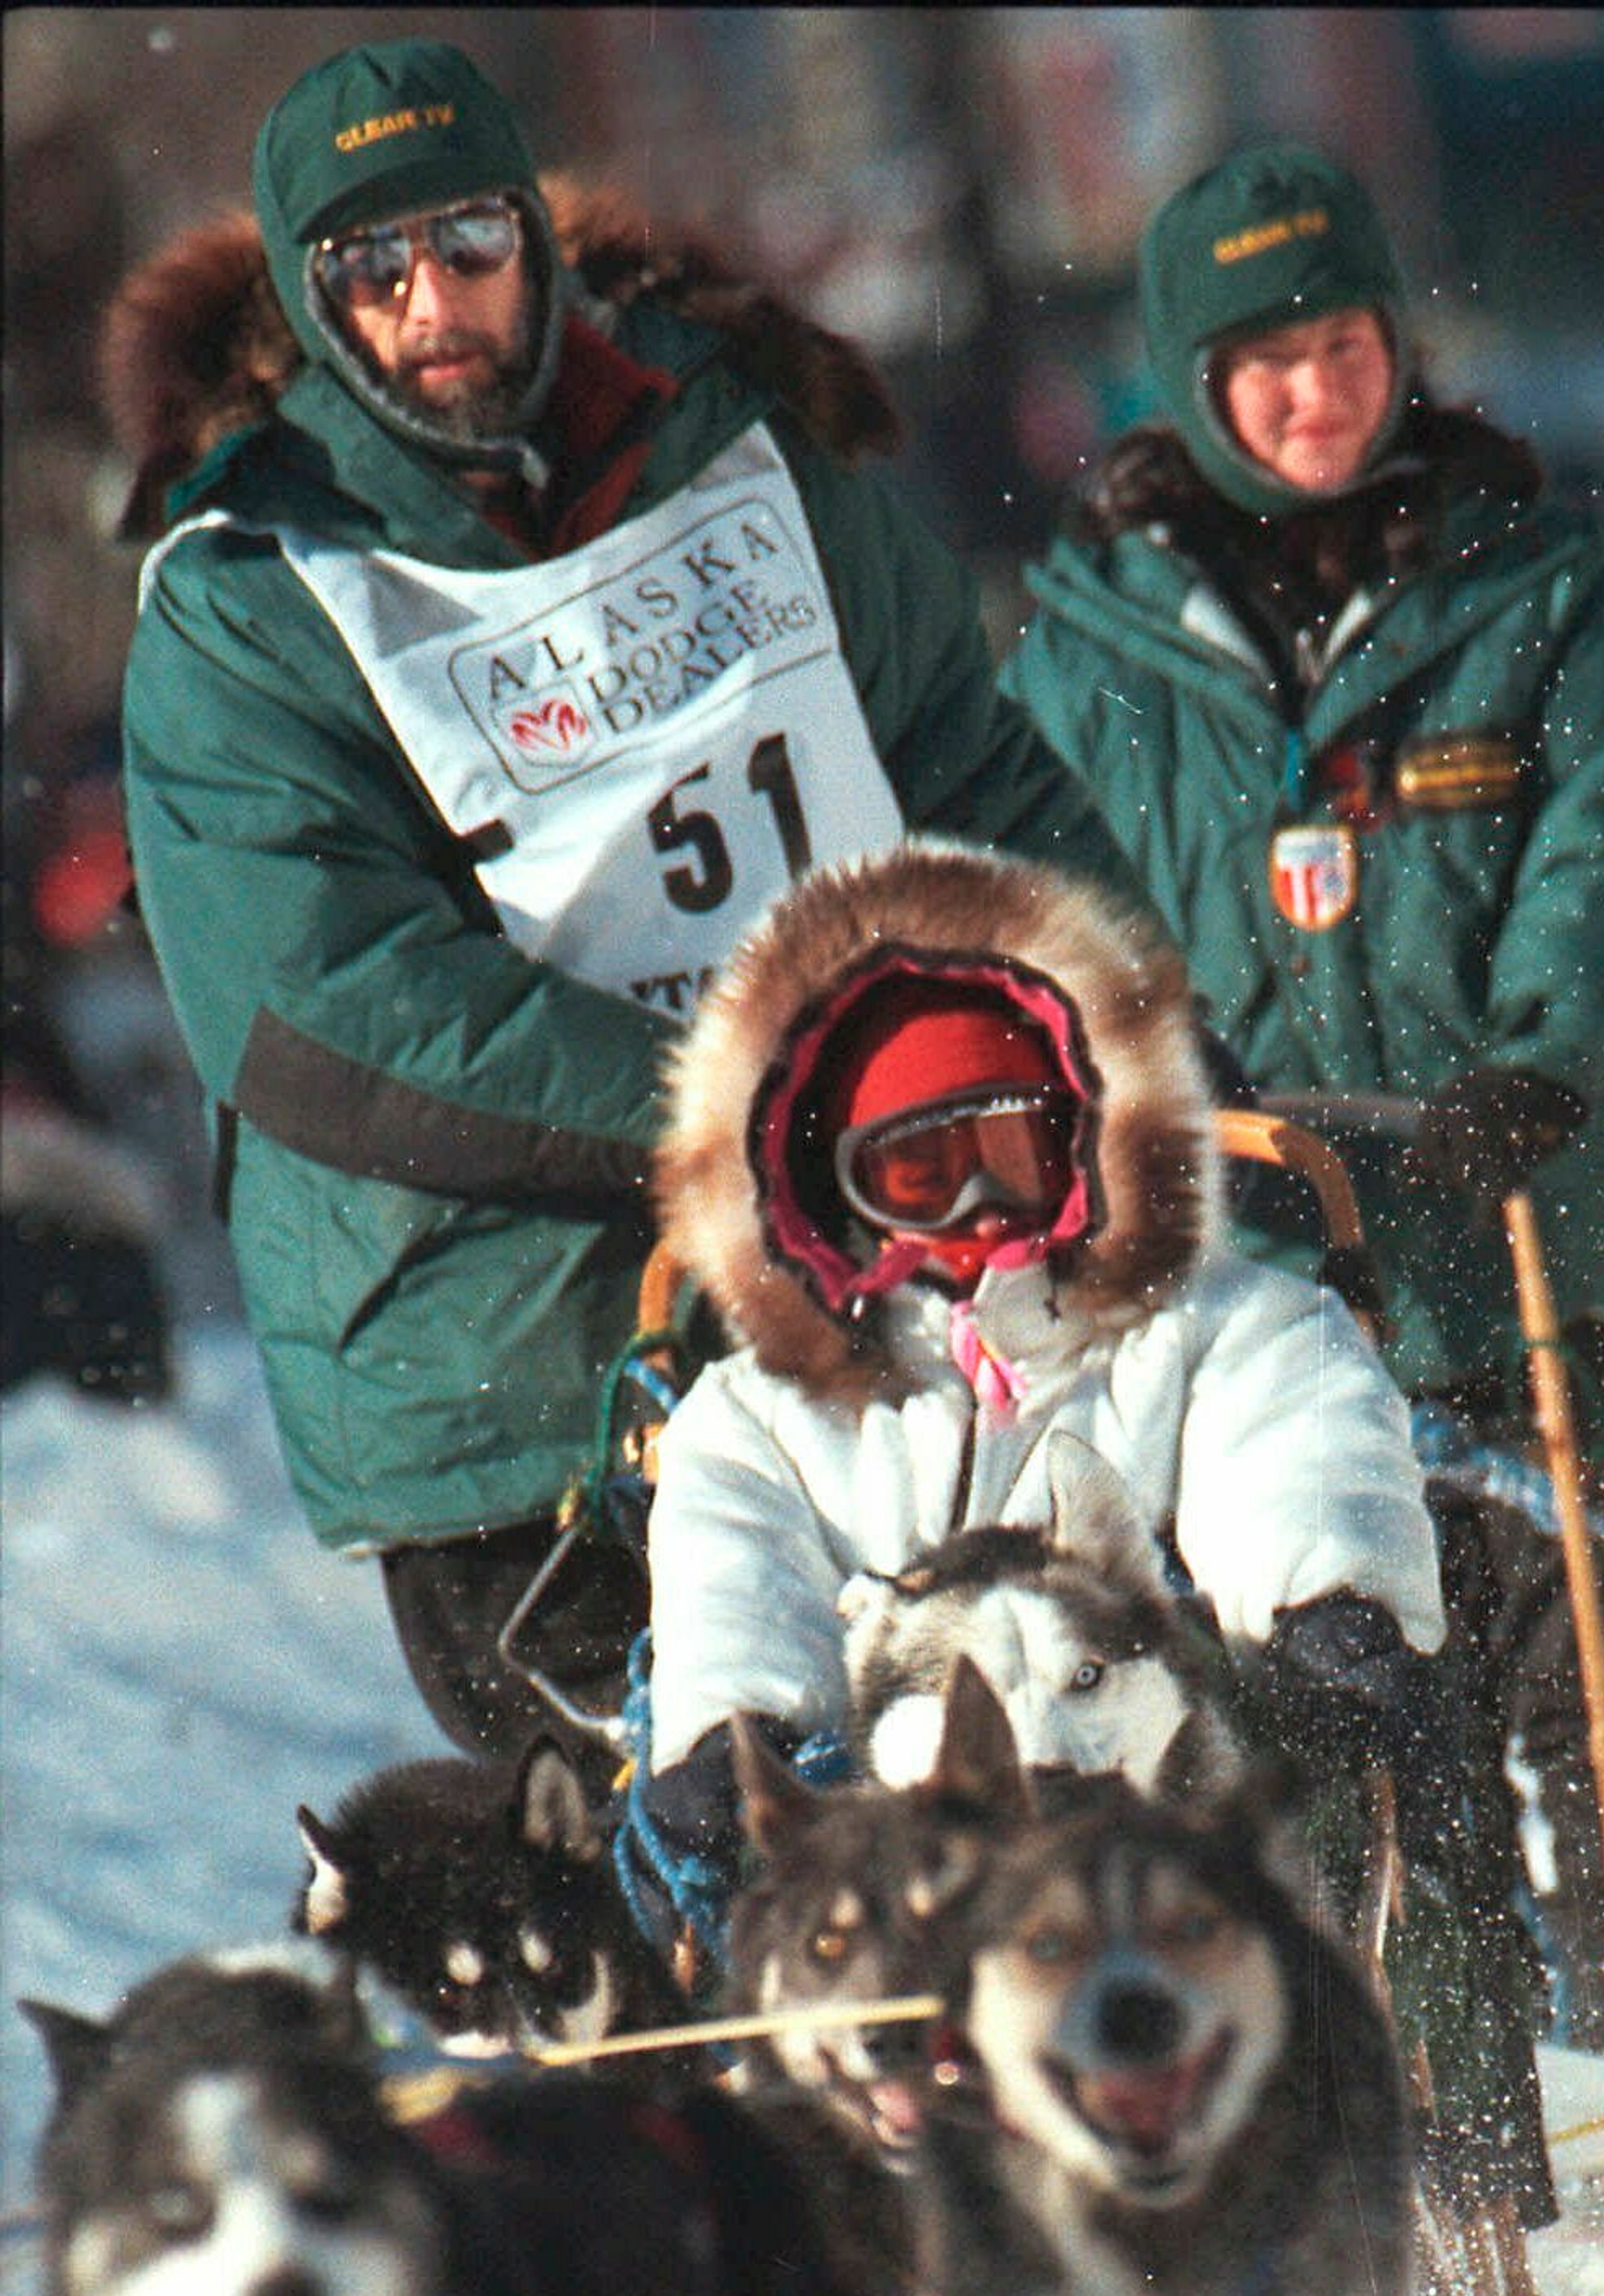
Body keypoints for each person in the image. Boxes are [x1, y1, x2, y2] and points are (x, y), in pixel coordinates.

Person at [102, 34, 1149, 1775]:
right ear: (311, 298)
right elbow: (324, 1013)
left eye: (466, 245)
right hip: (523, 1380)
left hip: (894, 1285)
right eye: (370, 271)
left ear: (538, 240)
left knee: (1008, 1841)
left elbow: (969, 773)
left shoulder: (745, 456)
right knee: (710, 1944)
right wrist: (744, 1112)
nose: (429, 299)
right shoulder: (250, 599)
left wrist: (1129, 1028)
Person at [1002, 141, 1604, 2209]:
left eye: (1344, 342)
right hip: (1282, 1269)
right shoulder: (1088, 646)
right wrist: (1159, 1102)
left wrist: (1537, 1053)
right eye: (1262, 360)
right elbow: (1053, 913)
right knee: (1385, 1719)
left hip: (1568, 1211)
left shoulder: (1535, 580)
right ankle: (1475, 2121)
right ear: (1191, 377)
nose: (1312, 392)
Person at [635, 835, 1551, 2228]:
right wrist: (735, 1726)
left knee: (1384, 1762)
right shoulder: (768, 1412)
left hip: (1173, 1787)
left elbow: (1286, 1437)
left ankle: (1404, 2171)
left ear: (1079, 1132)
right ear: (840, 1192)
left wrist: (1324, 1589)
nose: (975, 1202)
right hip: (913, 1842)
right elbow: (733, 1569)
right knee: (728, 1878)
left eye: (1009, 1143)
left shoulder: (1199, 1321)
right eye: (919, 1168)